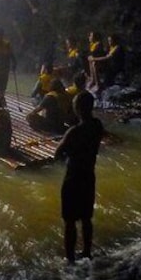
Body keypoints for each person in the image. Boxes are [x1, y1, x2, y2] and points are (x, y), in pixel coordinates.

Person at [54, 91, 104, 263]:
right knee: (86, 218)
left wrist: (65, 145)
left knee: (69, 220)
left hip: (73, 178)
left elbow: (57, 154)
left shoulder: (74, 131)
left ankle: (70, 259)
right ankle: (87, 252)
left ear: (77, 109)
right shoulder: (98, 126)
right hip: (89, 175)